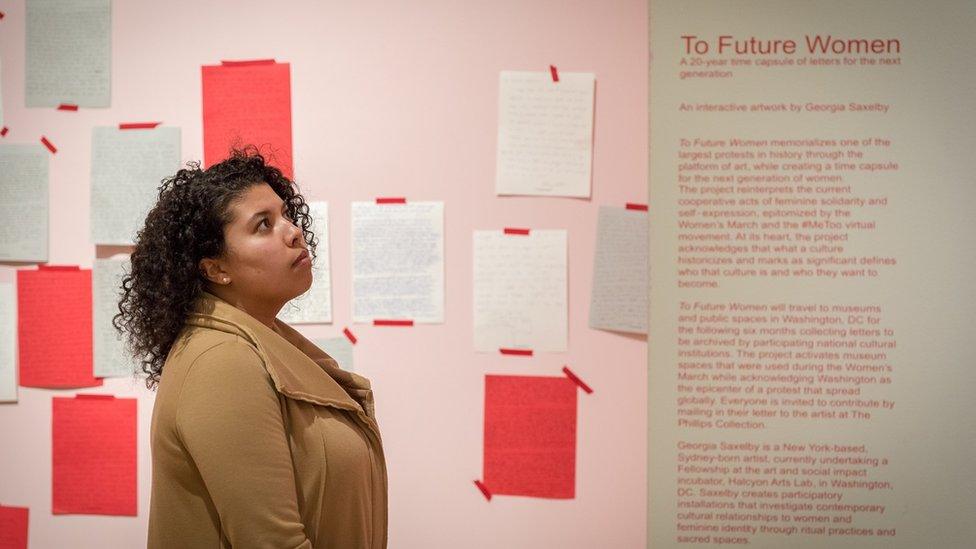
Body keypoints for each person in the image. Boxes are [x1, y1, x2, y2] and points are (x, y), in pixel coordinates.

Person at [114, 147, 388, 548]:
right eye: (263, 225)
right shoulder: (222, 362)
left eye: (285, 215)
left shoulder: (256, 339)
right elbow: (273, 542)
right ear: (216, 269)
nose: (293, 231)